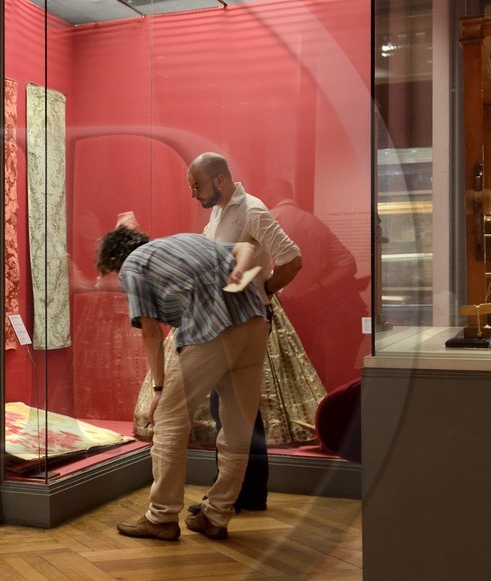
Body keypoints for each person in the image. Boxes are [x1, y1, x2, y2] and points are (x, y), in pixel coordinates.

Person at [96, 218, 267, 541]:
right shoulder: (189, 240)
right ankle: (216, 515)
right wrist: (240, 269)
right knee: (238, 427)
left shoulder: (134, 264)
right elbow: (249, 248)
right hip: (254, 322)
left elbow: (149, 331)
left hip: (211, 330)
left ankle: (161, 516)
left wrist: (159, 389)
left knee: (170, 419)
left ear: (116, 260)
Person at [186, 153, 328, 511]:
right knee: (229, 409)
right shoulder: (218, 211)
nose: (194, 194)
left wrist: (263, 293)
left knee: (240, 410)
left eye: (197, 186)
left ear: (219, 180)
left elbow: (292, 259)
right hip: (224, 319)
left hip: (244, 320)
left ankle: (245, 494)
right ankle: (235, 492)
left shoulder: (253, 210)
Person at [264, 176, 366, 388]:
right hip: (307, 306)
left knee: (277, 368)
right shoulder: (314, 222)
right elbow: (348, 264)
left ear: (272, 193)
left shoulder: (268, 220)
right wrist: (316, 288)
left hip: (275, 305)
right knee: (305, 364)